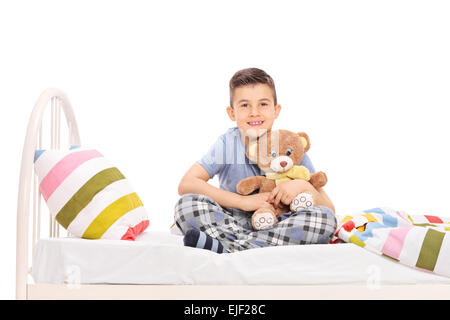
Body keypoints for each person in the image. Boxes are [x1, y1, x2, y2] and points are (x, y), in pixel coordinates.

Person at [174, 67, 336, 253]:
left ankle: (232, 248)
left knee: (325, 218)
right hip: (233, 220)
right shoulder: (228, 143)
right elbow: (187, 184)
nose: (254, 113)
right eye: (244, 105)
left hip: (279, 222)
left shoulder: (289, 144)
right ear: (232, 113)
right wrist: (243, 202)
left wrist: (304, 186)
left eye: (263, 104)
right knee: (186, 204)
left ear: (276, 110)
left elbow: (329, 207)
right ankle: (258, 247)